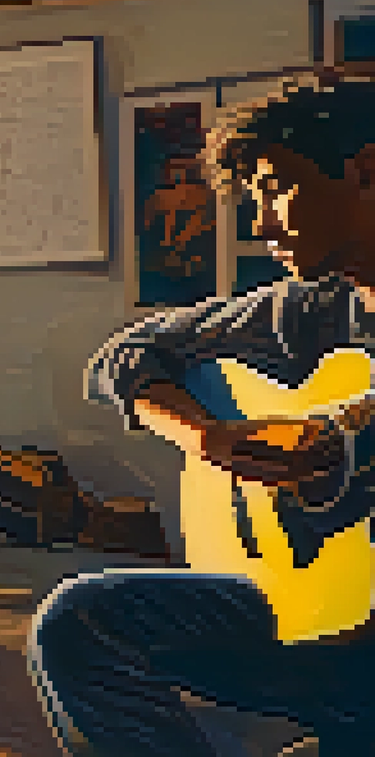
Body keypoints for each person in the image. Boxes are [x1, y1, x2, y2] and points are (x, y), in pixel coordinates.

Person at [30, 67, 375, 757]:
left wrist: (343, 433)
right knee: (78, 622)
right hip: (317, 623)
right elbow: (127, 353)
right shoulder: (306, 312)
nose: (261, 222)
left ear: (365, 170)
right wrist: (208, 436)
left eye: (276, 190)